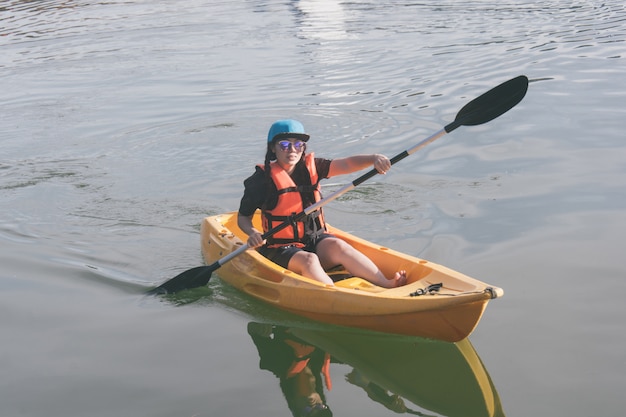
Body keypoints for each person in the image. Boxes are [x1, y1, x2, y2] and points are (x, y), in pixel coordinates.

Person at [237, 119, 407, 287]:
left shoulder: (314, 167)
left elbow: (347, 164)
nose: (292, 150)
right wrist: (252, 233)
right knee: (309, 260)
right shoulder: (259, 181)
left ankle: (386, 284)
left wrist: (373, 158)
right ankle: (336, 296)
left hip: (315, 240)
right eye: (284, 145)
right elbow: (243, 217)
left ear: (303, 148)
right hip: (281, 249)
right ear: (273, 148)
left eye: (298, 144)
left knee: (339, 246)